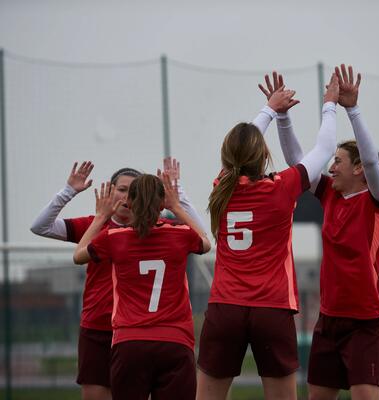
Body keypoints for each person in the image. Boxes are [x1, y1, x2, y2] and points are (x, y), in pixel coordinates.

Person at [196, 73, 339, 400]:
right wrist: (329, 104)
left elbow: (241, 148)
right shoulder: (282, 187)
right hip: (271, 308)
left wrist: (270, 110)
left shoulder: (222, 187)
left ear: (226, 158)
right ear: (263, 155)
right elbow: (326, 148)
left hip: (225, 307)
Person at [262, 65, 379, 400]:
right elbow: (300, 163)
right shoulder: (332, 196)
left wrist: (351, 108)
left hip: (366, 323)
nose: (331, 166)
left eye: (337, 161)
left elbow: (371, 162)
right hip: (329, 320)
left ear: (358, 170)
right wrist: (282, 118)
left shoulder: (376, 199)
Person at [30, 160, 204, 400]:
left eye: (131, 191)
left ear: (139, 198)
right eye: (121, 189)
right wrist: (69, 191)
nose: (125, 196)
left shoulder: (157, 231)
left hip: (130, 333)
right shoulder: (95, 226)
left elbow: (77, 256)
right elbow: (40, 226)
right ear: (110, 191)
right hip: (100, 328)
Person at [73, 173, 211, 400]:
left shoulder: (114, 237)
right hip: (175, 342)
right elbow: (205, 242)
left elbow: (79, 256)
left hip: (130, 343)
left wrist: (100, 217)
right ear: (161, 203)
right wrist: (176, 207)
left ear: (130, 203)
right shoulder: (180, 234)